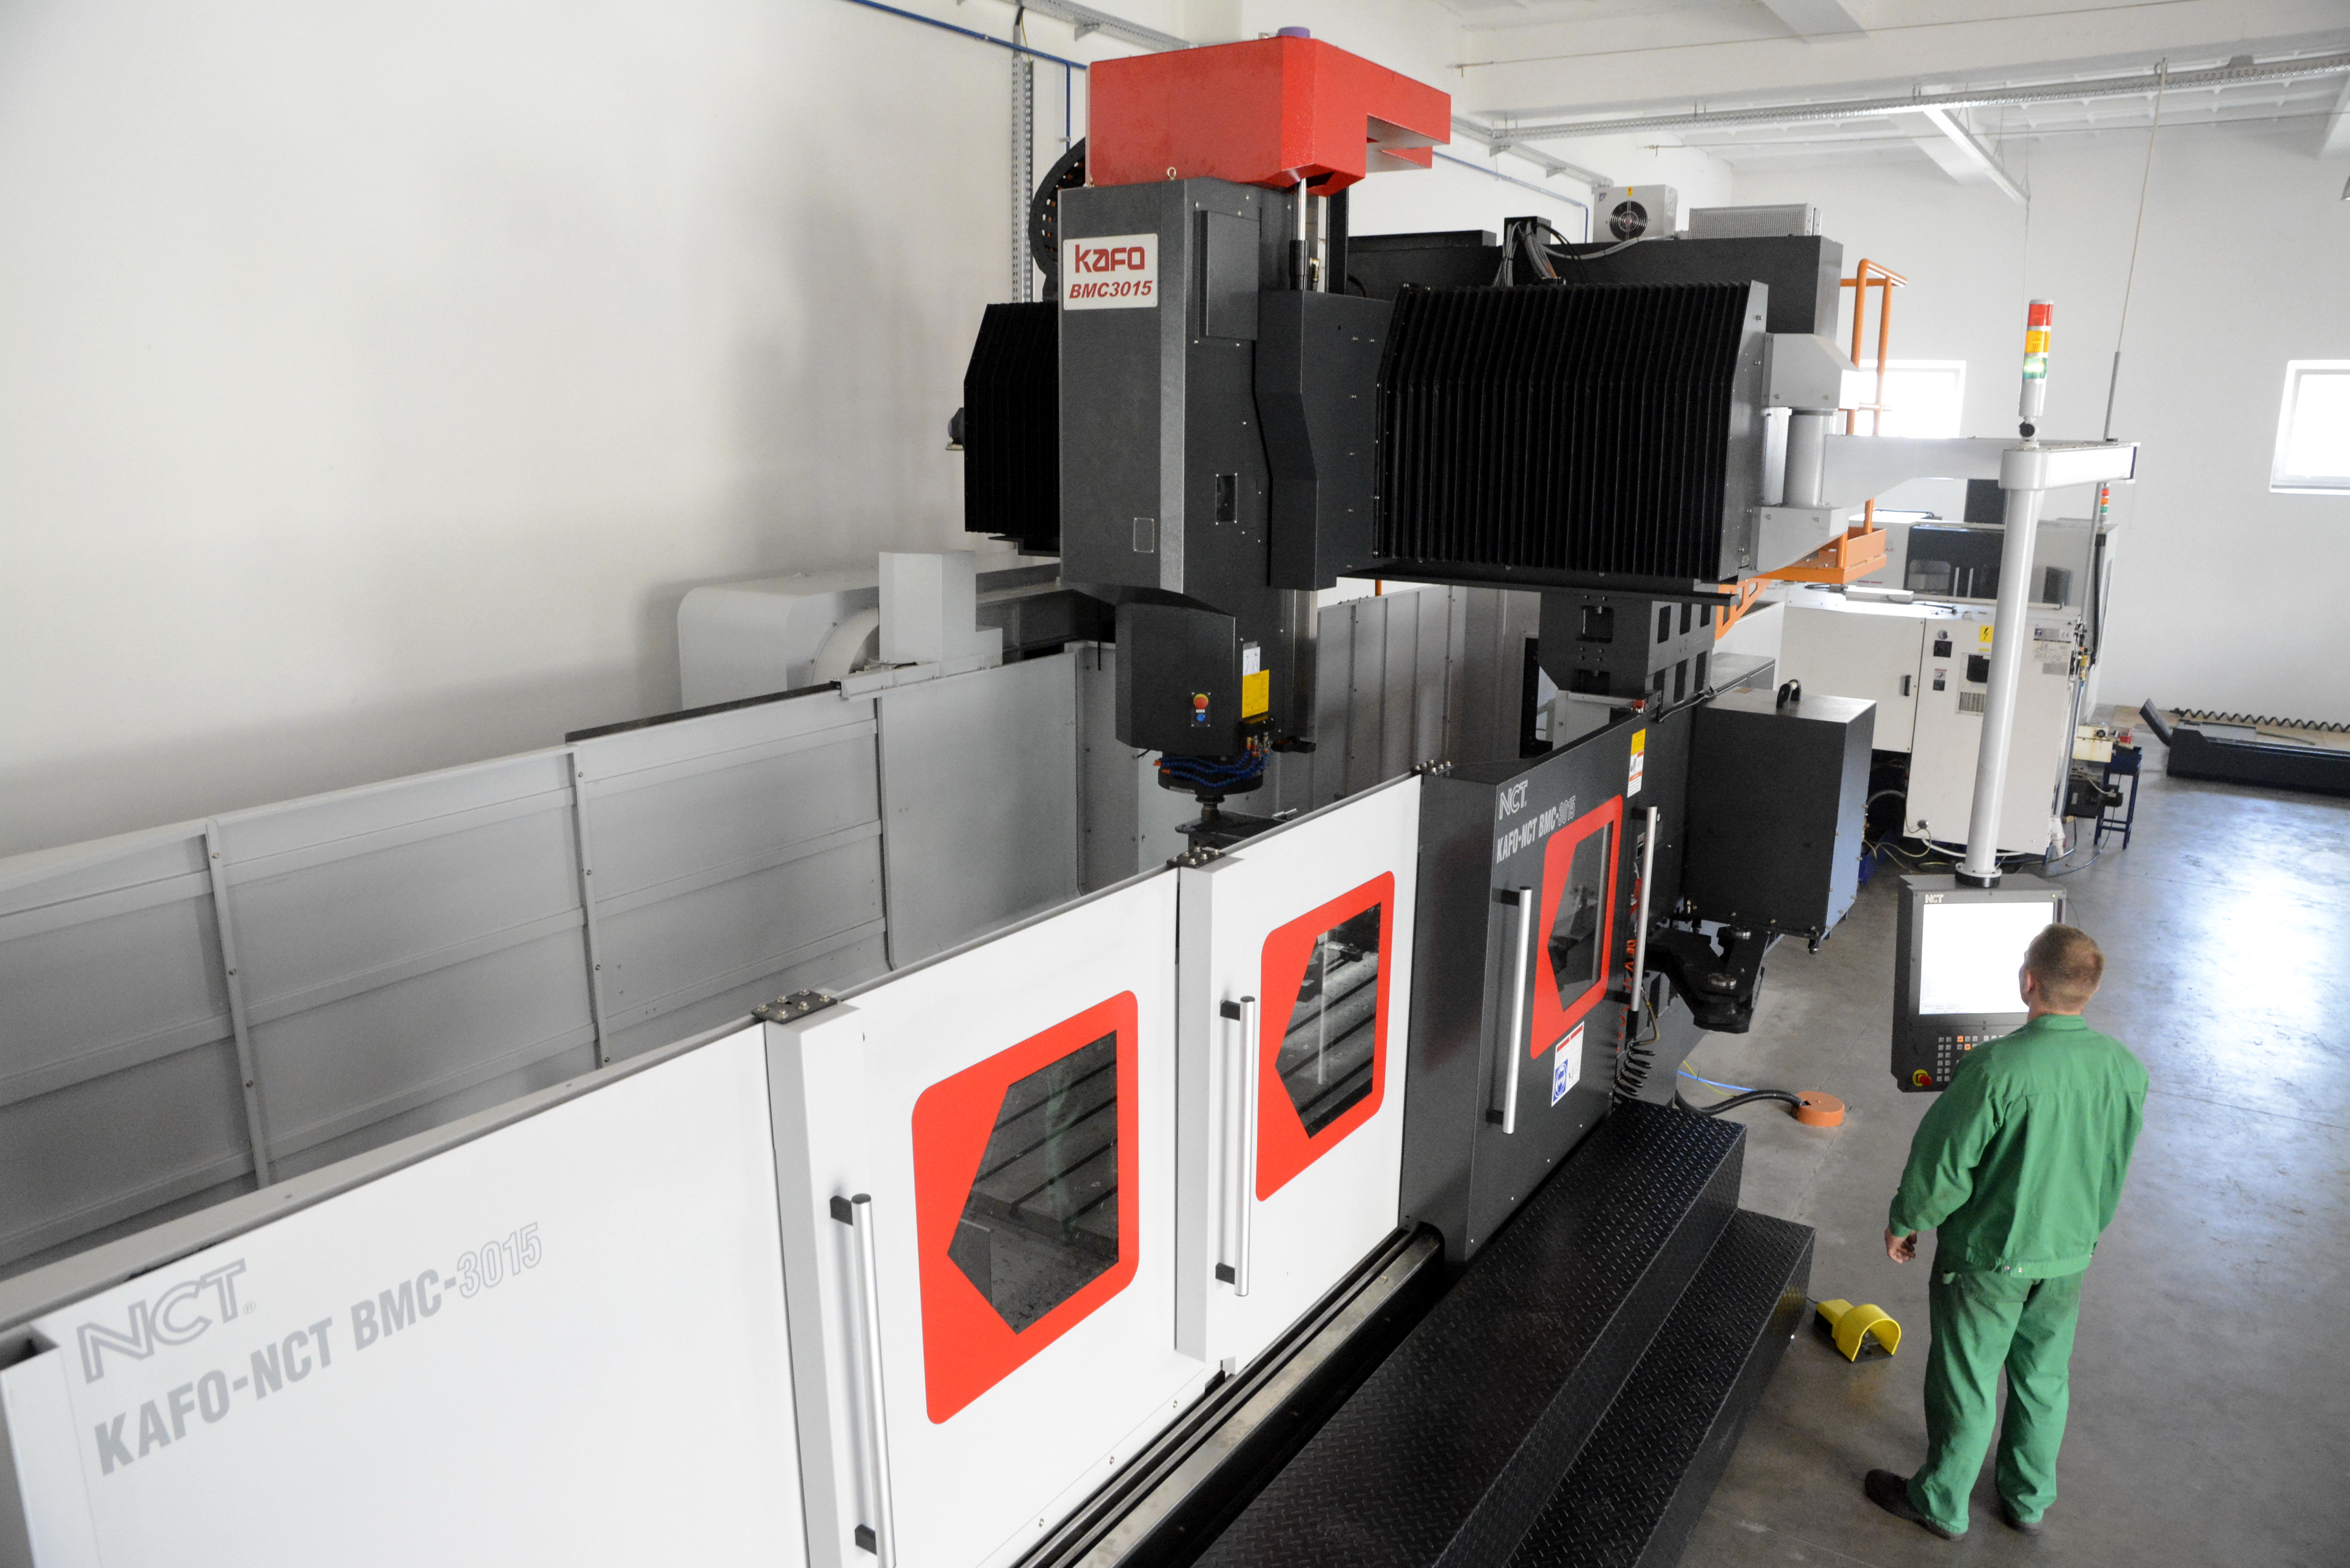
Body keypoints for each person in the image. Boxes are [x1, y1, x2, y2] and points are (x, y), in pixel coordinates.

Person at [1865, 923, 2148, 1540]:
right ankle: (2026, 1499)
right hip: (2066, 1255)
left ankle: (1941, 1502)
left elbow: (1943, 1164)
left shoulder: (1995, 1068)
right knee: (2042, 1378)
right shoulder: (2124, 1070)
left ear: (2027, 982)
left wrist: (1905, 1221)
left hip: (1988, 1259)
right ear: (2090, 989)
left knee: (1966, 1379)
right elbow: (2113, 1164)